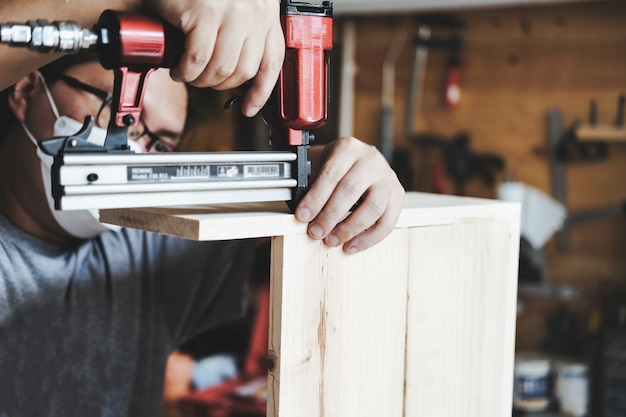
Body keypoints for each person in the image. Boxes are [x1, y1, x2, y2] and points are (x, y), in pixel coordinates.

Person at [0, 1, 405, 416]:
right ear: (25, 89)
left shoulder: (144, 247)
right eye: (117, 110)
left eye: (160, 145)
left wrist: (349, 176)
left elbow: (308, 215)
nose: (135, 150)